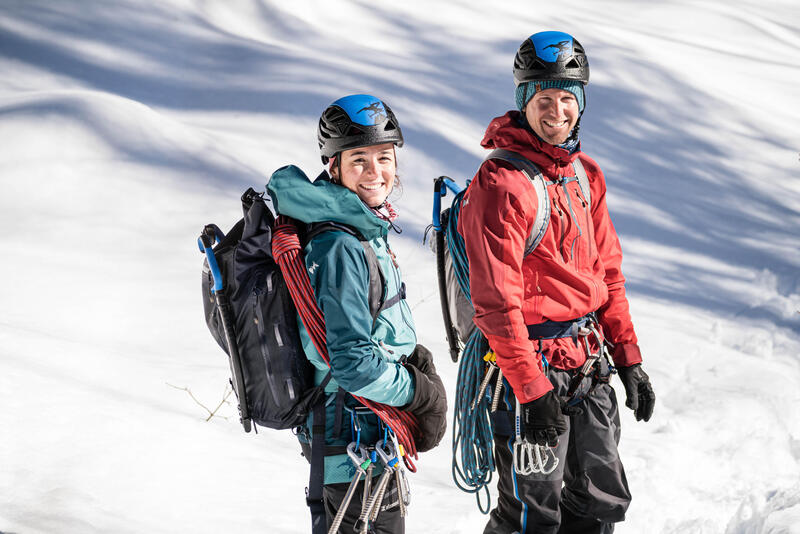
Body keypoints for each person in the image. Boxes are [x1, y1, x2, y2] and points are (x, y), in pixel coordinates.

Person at [457, 32, 656, 533]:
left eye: (568, 98)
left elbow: (607, 272)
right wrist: (530, 390)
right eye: (544, 99)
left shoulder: (585, 175)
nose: (557, 111)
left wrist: (629, 359)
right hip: (530, 372)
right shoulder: (501, 184)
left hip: (588, 365)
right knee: (531, 514)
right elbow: (496, 302)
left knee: (603, 500)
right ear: (524, 102)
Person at [266, 94, 447, 534]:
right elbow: (351, 363)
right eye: (359, 160)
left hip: (358, 438)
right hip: (355, 440)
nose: (375, 172)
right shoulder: (341, 245)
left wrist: (406, 352)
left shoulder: (357, 229)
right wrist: (420, 394)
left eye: (383, 158)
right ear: (335, 167)